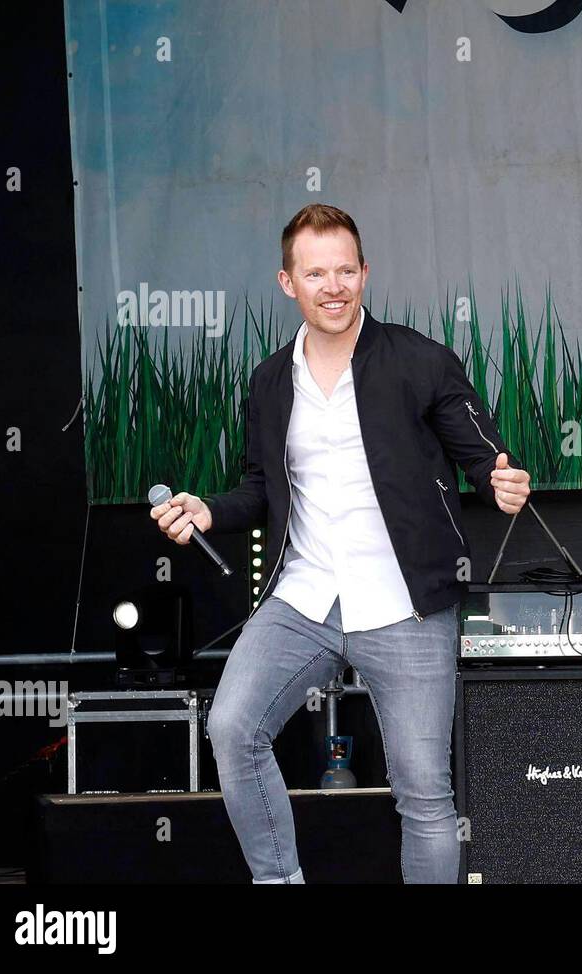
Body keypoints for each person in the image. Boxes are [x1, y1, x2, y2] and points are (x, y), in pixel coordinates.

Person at [151, 203, 531, 883]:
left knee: (423, 792)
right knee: (233, 729)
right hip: (304, 597)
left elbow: (484, 458)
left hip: (405, 603)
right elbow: (262, 489)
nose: (334, 286)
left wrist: (500, 482)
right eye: (317, 273)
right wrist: (207, 511)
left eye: (346, 270)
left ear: (365, 274)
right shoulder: (269, 381)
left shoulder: (420, 360)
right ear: (287, 282)